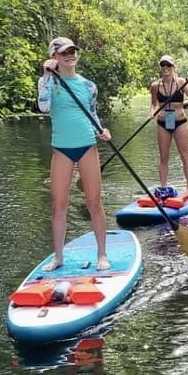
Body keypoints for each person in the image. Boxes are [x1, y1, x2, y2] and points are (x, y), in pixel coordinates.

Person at [38, 37, 112, 272]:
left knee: (94, 203)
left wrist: (101, 131)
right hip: (62, 149)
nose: (70, 55)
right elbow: (44, 107)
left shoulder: (89, 86)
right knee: (58, 206)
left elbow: (92, 114)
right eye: (63, 53)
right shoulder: (49, 82)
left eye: (72, 51)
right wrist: (47, 76)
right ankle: (58, 257)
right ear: (54, 57)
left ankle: (102, 254)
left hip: (87, 146)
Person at [149, 55, 188, 196]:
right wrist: (152, 113)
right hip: (163, 122)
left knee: (184, 155)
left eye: (168, 65)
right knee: (163, 156)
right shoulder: (155, 86)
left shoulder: (181, 82)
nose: (165, 68)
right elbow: (153, 104)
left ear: (173, 67)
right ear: (160, 67)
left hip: (180, 122)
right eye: (163, 65)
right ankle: (163, 187)